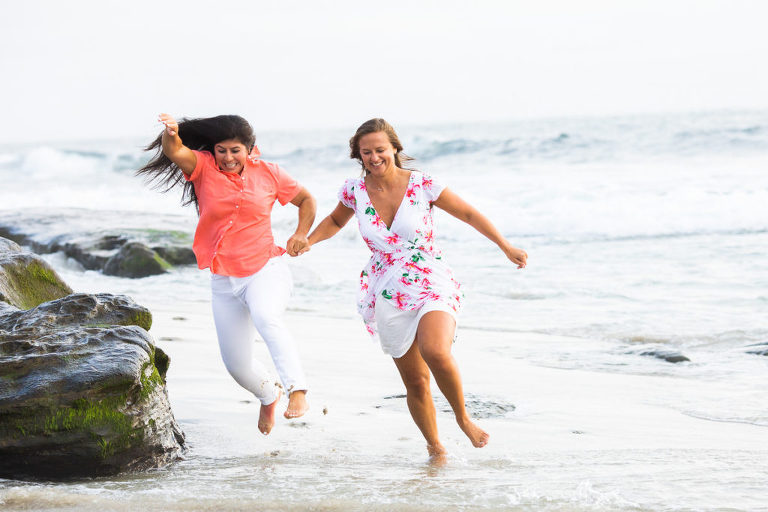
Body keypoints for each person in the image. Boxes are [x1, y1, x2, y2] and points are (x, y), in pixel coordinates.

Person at [303, 118, 527, 459]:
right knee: (416, 382)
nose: (375, 157)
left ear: (395, 147)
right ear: (358, 156)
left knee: (436, 350)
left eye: (380, 149)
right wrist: (307, 241)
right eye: (367, 152)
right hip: (388, 289)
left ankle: (463, 418)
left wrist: (505, 246)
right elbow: (335, 221)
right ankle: (435, 448)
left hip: (430, 276)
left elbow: (467, 213)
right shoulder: (354, 191)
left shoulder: (422, 184)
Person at [138, 113, 315, 435]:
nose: (228, 158)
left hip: (265, 269)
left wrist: (301, 234)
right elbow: (173, 150)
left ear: (251, 150)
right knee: (237, 365)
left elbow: (306, 200)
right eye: (222, 150)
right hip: (223, 279)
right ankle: (268, 394)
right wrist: (171, 132)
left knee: (266, 318)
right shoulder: (202, 167)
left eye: (236, 150)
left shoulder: (271, 174)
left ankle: (297, 390)